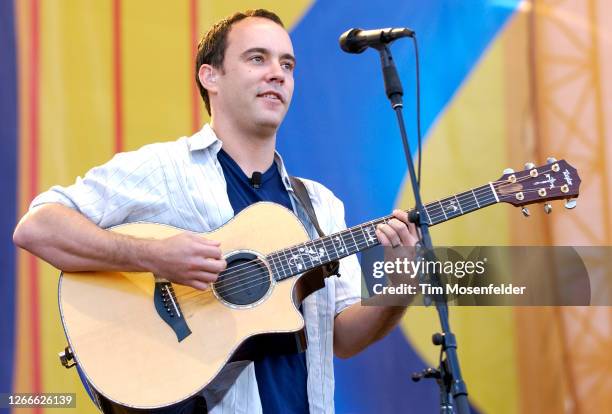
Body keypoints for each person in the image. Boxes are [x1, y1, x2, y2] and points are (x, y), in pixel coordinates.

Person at [13, 9, 419, 414]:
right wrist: (154, 256)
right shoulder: (164, 169)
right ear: (211, 76)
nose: (277, 73)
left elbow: (344, 338)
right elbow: (38, 228)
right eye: (257, 58)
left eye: (287, 64)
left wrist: (401, 284)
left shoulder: (320, 204)